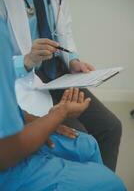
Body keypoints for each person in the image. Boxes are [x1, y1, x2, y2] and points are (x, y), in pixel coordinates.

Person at [0, 13, 126, 191]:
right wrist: (56, 116)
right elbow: (6, 152)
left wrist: (40, 121)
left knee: (87, 143)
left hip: (54, 77)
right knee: (111, 183)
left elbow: (11, 110)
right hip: (8, 164)